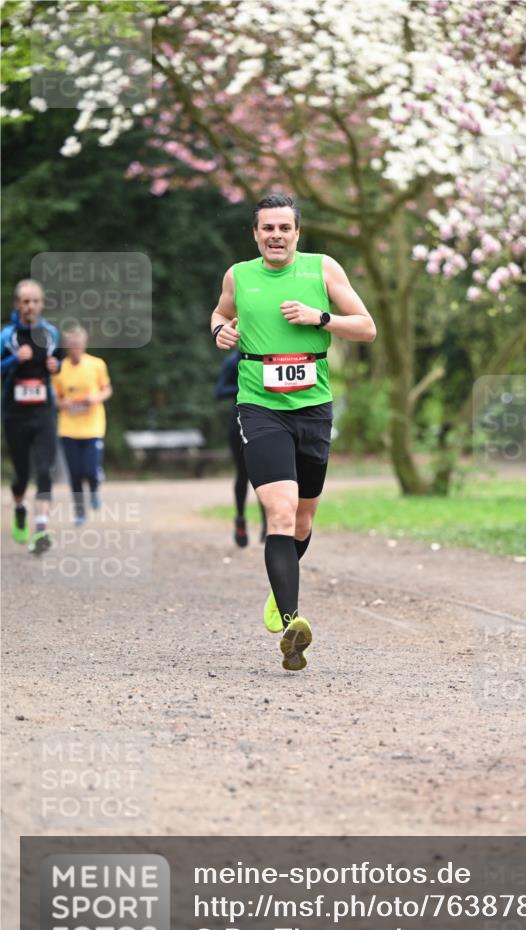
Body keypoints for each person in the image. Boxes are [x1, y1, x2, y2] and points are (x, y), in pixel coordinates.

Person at [211, 193, 376, 670]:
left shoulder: (323, 270)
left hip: (313, 408)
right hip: (259, 406)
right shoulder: (238, 275)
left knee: (302, 521)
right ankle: (291, 625)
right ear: (256, 234)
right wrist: (220, 331)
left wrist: (319, 318)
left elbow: (366, 328)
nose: (276, 235)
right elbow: (220, 314)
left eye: (284, 228)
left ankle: (279, 589)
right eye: (267, 228)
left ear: (297, 233)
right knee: (280, 514)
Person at [1, 279, 61, 554]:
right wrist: (15, 360)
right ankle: (20, 508)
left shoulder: (50, 333)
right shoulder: (7, 336)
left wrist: (55, 365)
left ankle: (41, 529)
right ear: (18, 305)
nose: (30, 306)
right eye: (25, 301)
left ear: (42, 304)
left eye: (35, 301)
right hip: (15, 414)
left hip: (44, 411)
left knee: (45, 469)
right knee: (22, 476)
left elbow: (56, 363)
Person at [52, 325, 112, 525]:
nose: (74, 348)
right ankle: (80, 513)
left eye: (77, 344)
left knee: (90, 470)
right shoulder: (60, 368)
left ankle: (94, 489)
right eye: (70, 345)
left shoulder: (97, 364)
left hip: (93, 427)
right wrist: (63, 403)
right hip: (68, 428)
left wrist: (95, 398)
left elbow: (106, 390)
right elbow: (54, 397)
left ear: (84, 344)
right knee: (75, 474)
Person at [215, 348, 267, 547]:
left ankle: (267, 525)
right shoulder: (232, 362)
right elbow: (218, 391)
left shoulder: (267, 357)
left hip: (265, 423)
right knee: (243, 474)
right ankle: (240, 521)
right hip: (237, 425)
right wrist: (244, 386)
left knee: (266, 474)